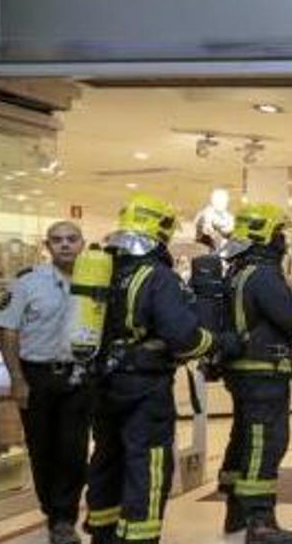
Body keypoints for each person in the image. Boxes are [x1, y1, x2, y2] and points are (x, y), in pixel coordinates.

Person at [83, 194, 235, 544]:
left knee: (106, 455)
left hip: (102, 383)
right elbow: (184, 337)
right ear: (161, 229)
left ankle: (103, 531)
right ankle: (138, 537)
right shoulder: (157, 276)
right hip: (144, 386)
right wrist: (216, 343)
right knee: (147, 464)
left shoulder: (103, 269)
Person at [217, 203, 292, 544]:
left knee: (244, 438)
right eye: (279, 233)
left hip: (243, 370)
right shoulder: (263, 274)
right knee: (266, 442)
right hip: (263, 373)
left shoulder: (238, 270)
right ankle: (260, 520)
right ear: (264, 235)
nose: (283, 240)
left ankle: (237, 513)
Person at [0, 221, 89, 544]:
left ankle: (64, 518)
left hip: (79, 376)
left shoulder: (96, 283)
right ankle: (52, 510)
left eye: (71, 239)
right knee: (42, 449)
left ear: (82, 244)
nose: (65, 245)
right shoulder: (26, 283)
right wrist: (17, 379)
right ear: (47, 246)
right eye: (57, 240)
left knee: (74, 450)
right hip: (37, 376)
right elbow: (8, 330)